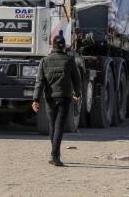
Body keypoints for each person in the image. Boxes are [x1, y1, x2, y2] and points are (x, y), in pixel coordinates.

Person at [32, 33, 81, 166]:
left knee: (52, 125)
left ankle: (54, 154)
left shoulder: (44, 61)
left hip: (49, 98)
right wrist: (78, 93)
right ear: (64, 46)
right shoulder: (69, 60)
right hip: (64, 97)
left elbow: (39, 82)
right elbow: (76, 79)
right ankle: (55, 155)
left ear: (52, 45)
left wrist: (35, 99)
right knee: (59, 126)